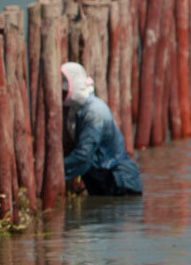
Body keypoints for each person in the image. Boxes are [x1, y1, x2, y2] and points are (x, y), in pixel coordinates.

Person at [61, 61, 142, 197]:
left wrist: (57, 171)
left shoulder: (94, 112)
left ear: (74, 85)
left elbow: (83, 155)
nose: (61, 91)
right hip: (103, 180)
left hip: (119, 183)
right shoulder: (77, 110)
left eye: (64, 85)